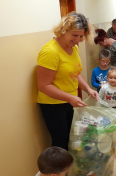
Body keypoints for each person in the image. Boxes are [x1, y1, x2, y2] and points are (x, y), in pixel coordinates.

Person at [37, 12, 98, 150]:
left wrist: (87, 89)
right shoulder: (50, 52)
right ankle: (58, 172)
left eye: (81, 36)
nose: (78, 40)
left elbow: (74, 74)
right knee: (60, 142)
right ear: (63, 31)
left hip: (69, 100)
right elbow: (43, 85)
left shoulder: (73, 47)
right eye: (74, 35)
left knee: (72, 138)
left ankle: (70, 170)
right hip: (53, 104)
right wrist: (70, 98)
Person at [98, 66, 116, 143]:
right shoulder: (104, 87)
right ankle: (106, 134)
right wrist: (102, 106)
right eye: (111, 77)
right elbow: (99, 97)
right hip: (105, 107)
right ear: (107, 77)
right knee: (106, 121)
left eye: (115, 78)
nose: (113, 80)